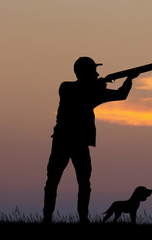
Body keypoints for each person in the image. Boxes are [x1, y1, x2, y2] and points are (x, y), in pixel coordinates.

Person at [43, 56, 138, 223]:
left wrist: (129, 78)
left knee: (79, 183)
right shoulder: (68, 87)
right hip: (69, 141)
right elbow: (85, 91)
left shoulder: (91, 91)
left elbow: (122, 95)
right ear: (84, 72)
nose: (96, 73)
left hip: (66, 141)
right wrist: (103, 84)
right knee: (57, 182)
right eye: (93, 70)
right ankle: (50, 218)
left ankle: (80, 219)